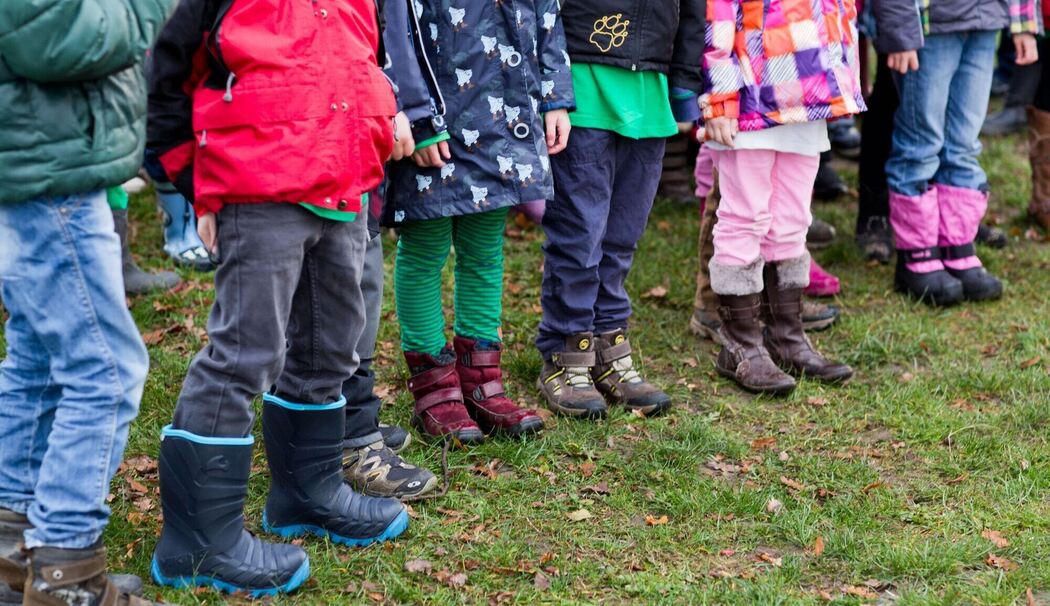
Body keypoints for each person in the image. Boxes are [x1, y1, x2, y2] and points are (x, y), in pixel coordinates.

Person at [146, 0, 414, 596]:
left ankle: (307, 491)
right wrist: (197, 186)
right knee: (247, 351)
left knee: (333, 346)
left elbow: (362, 64)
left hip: (342, 189)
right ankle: (198, 541)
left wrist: (383, 119)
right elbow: (168, 80)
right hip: (257, 189)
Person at [0, 1, 174, 604]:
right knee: (106, 370)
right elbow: (51, 35)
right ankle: (65, 574)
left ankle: (12, 554)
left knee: (37, 362)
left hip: (43, 159)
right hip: (48, 170)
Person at [383, 0, 574, 443]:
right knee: (424, 252)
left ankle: (479, 380)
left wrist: (555, 97)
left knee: (485, 253)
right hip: (435, 124)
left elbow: (549, 19)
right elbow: (394, 31)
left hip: (503, 122)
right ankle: (434, 387)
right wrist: (416, 116)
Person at [536, 1, 704, 419]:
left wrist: (684, 81)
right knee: (580, 232)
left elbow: (694, 7)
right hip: (583, 81)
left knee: (622, 234)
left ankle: (608, 341)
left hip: (650, 87)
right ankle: (565, 347)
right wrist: (552, 89)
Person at [701, 0, 863, 394]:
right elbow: (716, 23)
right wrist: (719, 99)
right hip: (752, 98)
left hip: (812, 98)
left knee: (792, 220)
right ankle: (740, 343)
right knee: (745, 217)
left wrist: (842, 84)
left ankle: (786, 337)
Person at [341, 0, 445, 499]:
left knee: (364, 274)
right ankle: (343, 435)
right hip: (313, 136)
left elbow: (381, 38)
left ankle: (351, 417)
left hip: (361, 133)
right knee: (330, 294)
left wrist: (395, 107)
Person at [874, 0, 1039, 306]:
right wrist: (899, 31)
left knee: (963, 143)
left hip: (985, 21)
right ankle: (917, 252)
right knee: (920, 143)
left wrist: (1023, 24)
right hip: (929, 26)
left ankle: (956, 244)